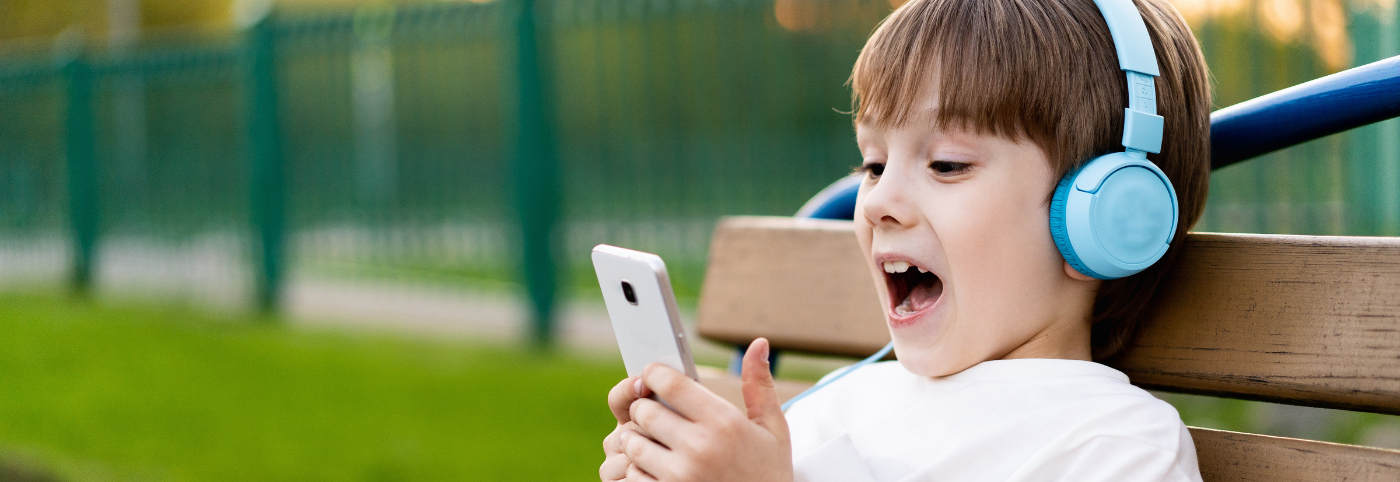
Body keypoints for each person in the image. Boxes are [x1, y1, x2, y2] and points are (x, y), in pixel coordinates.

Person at [601, 0, 1212, 480]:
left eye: (946, 164)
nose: (879, 202)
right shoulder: (839, 404)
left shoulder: (1114, 447)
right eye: (872, 165)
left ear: (1106, 218)